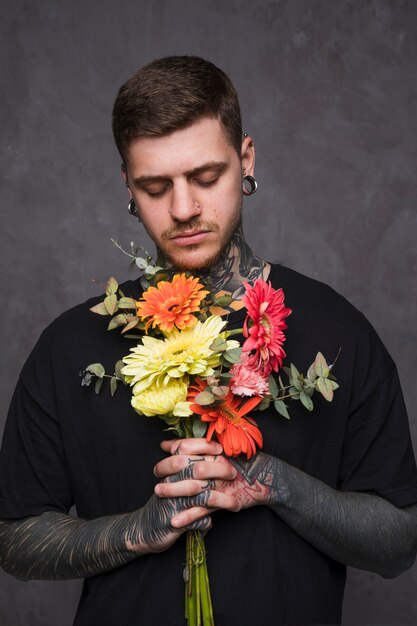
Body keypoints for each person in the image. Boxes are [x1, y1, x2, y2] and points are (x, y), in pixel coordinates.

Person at [0, 55, 416, 626]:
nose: (184, 209)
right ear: (127, 184)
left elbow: (398, 542)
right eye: (154, 186)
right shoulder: (71, 345)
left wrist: (273, 483)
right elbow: (14, 537)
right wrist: (135, 532)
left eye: (205, 177)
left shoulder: (339, 334)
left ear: (245, 160)